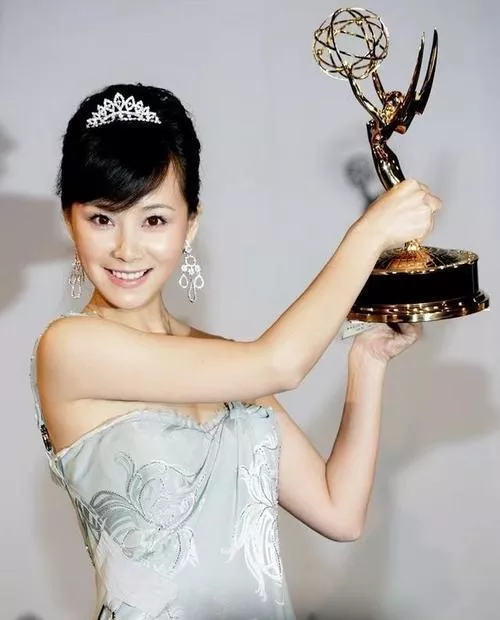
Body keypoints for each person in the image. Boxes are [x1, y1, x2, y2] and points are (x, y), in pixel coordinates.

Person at [30, 83, 441, 620]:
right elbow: (280, 363)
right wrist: (369, 234)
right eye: (102, 219)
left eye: (154, 219)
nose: (126, 249)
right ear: (70, 221)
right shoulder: (69, 348)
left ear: (191, 224)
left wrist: (369, 358)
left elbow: (339, 511)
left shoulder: (221, 360)